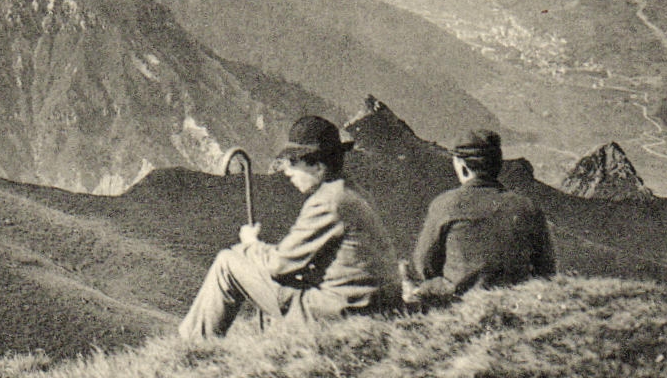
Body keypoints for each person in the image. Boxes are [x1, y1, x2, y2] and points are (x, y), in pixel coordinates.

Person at [179, 115, 401, 339]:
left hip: (339, 314)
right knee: (250, 261)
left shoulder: (328, 202)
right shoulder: (353, 192)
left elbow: (279, 265)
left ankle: (193, 345)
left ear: (318, 166)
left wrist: (251, 245)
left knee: (227, 262)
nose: (287, 171)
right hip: (370, 306)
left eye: (294, 162)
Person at [407, 130, 555, 303]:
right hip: (516, 306)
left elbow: (424, 267)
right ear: (497, 165)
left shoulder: (445, 205)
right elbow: (546, 270)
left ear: (463, 167)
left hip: (463, 309)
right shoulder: (527, 207)